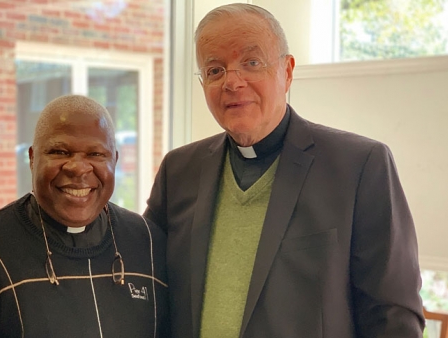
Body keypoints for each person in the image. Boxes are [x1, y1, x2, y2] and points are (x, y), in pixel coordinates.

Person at [144, 4, 424, 338]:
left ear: (287, 71)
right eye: (215, 70)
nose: (232, 82)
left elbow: (393, 317)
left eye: (251, 63)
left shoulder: (359, 166)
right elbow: (144, 284)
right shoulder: (179, 170)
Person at [0, 95, 170, 338]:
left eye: (96, 154)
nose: (78, 167)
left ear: (115, 160)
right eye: (60, 151)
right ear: (32, 158)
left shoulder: (148, 243)